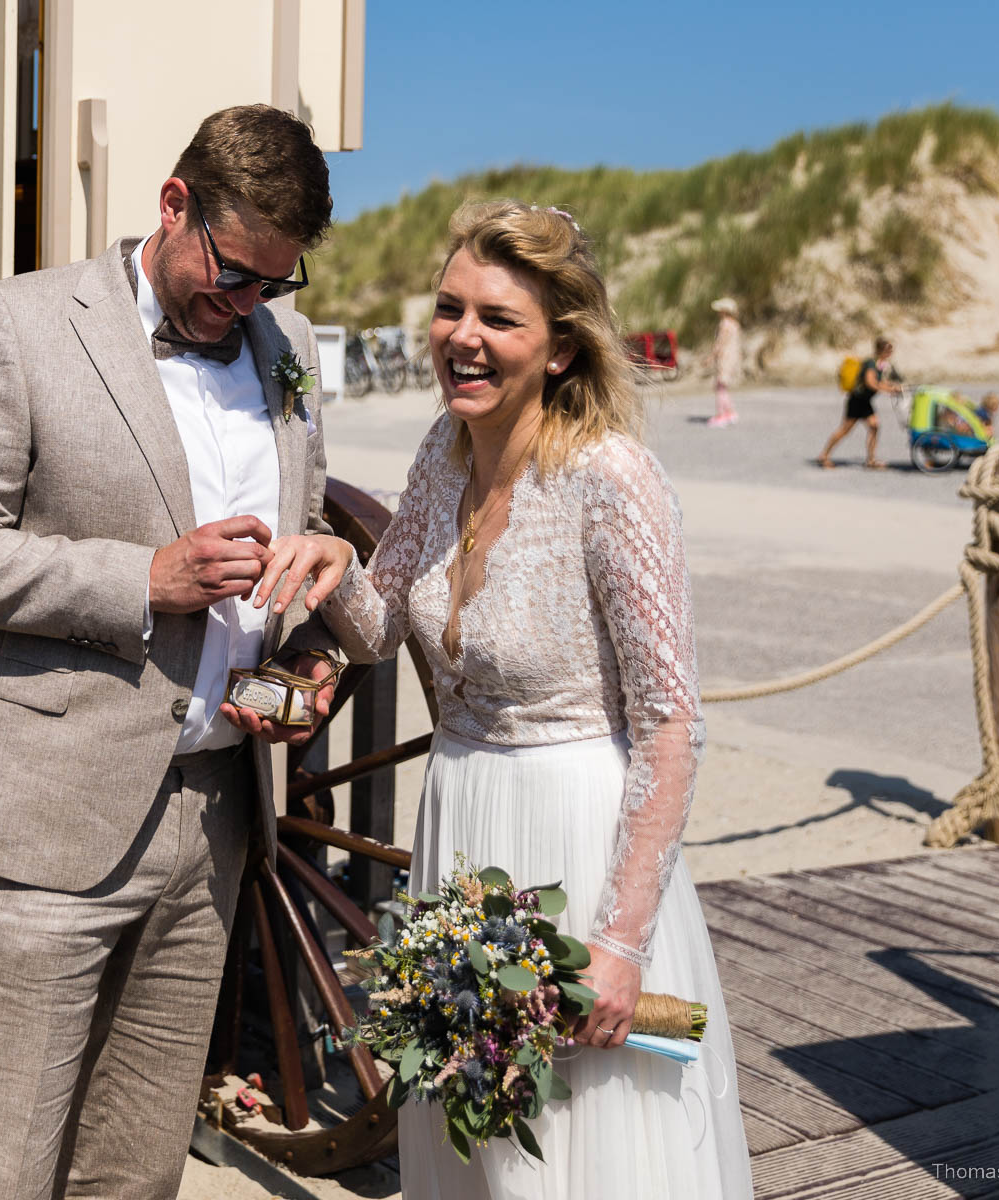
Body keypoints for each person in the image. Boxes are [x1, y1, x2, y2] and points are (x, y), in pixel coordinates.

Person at [261, 201, 752, 1199]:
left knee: (581, 1151)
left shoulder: (614, 480)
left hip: (575, 842)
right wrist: (333, 561)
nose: (464, 338)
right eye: (450, 309)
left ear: (560, 349)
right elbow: (380, 620)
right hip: (459, 838)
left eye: (499, 319)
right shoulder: (443, 454)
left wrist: (619, 948)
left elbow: (672, 724)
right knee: (475, 1142)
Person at [0, 105, 340, 1199]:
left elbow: (307, 528)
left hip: (216, 820)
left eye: (272, 286)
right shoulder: (21, 321)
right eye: (231, 273)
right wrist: (143, 579)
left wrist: (314, 653)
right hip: (50, 815)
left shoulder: (289, 351)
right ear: (172, 203)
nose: (244, 306)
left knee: (135, 1172)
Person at [818, 336, 903, 469]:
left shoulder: (880, 365)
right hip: (856, 401)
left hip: (865, 402)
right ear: (880, 350)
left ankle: (871, 460)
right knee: (845, 430)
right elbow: (871, 383)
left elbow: (879, 381)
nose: (890, 353)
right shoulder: (870, 363)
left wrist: (892, 386)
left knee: (874, 426)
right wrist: (888, 390)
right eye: (888, 350)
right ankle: (824, 455)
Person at [705, 297, 742, 427]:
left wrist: (710, 357)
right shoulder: (735, 324)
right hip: (732, 357)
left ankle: (721, 414)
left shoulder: (724, 324)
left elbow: (720, 343)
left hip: (724, 358)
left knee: (720, 386)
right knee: (723, 387)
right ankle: (730, 412)